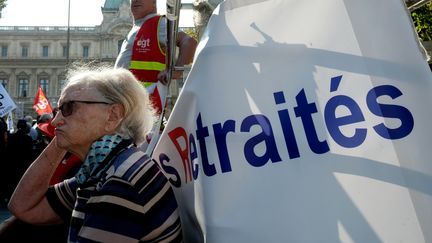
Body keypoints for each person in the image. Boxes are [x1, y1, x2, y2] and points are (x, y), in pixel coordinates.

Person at [8, 67, 183, 242]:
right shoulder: (104, 166)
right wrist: (64, 136)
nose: (54, 121)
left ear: (113, 115)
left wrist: (67, 132)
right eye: (57, 110)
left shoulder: (119, 182)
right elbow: (23, 207)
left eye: (69, 107)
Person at [115, 0, 197, 114]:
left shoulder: (159, 24)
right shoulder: (139, 26)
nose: (136, 0)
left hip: (144, 105)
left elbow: (189, 42)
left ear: (154, 2)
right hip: (132, 103)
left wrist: (176, 71)